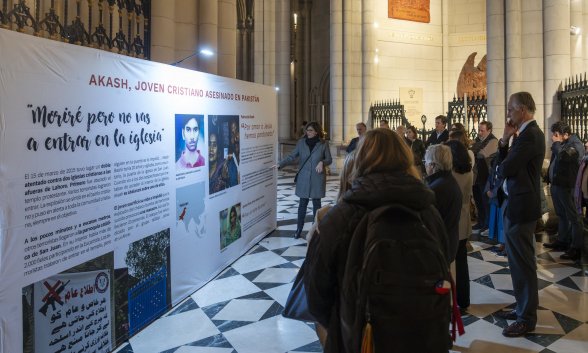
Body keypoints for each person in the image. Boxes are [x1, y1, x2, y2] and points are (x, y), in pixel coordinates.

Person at [305, 128, 449, 352]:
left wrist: (346, 320)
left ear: (361, 159)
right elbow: (444, 264)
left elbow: (316, 296)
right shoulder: (428, 211)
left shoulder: (341, 216)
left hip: (361, 338)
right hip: (422, 336)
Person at [496, 92, 545, 337]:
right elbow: (506, 164)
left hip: (522, 207)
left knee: (523, 264)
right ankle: (522, 307)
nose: (508, 114)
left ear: (523, 109)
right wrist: (504, 140)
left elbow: (506, 167)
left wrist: (504, 155)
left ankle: (526, 318)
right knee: (516, 262)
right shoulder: (522, 135)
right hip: (515, 204)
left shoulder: (530, 135)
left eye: (511, 109)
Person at [278, 122, 332, 239]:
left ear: (316, 132)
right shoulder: (301, 143)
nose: (308, 133)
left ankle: (315, 229)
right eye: (307, 130)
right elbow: (292, 156)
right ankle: (299, 229)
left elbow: (329, 159)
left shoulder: (323, 144)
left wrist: (322, 162)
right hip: (303, 178)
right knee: (302, 204)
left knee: (316, 205)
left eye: (311, 130)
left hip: (317, 178)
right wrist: (279, 165)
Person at [543, 121, 583, 262]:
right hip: (557, 185)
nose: (553, 137)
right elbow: (556, 161)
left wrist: (556, 145)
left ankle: (575, 247)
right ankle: (562, 241)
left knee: (574, 217)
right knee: (561, 214)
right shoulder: (561, 144)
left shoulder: (576, 144)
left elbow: (565, 157)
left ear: (566, 134)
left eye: (556, 135)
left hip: (568, 187)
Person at [444, 139, 473, 313]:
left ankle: (448, 300)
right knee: (462, 262)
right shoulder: (468, 171)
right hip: (465, 216)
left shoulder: (451, 173)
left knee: (448, 262)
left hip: (453, 218)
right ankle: (464, 299)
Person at [425, 144, 462, 265]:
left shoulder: (437, 188)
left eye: (425, 161)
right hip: (448, 242)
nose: (424, 165)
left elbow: (429, 222)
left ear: (432, 165)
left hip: (440, 246)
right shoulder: (447, 180)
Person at [470, 121, 498, 234]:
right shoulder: (478, 140)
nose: (479, 133)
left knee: (485, 201)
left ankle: (487, 224)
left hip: (485, 175)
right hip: (476, 176)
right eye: (479, 130)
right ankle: (481, 222)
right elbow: (472, 152)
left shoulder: (493, 140)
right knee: (478, 201)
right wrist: (474, 149)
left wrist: (474, 149)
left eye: (482, 130)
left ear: (489, 130)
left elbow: (482, 154)